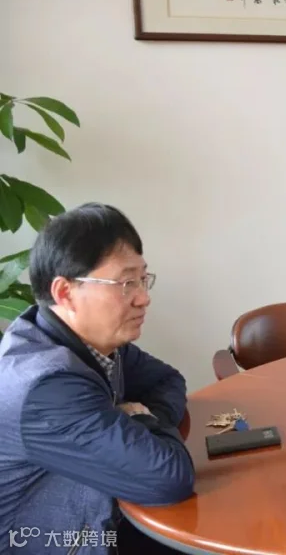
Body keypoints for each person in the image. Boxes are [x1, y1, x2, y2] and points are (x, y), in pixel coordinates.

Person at [0, 203, 194, 554]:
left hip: (96, 510)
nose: (143, 298)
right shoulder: (46, 386)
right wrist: (139, 422)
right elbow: (169, 478)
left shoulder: (91, 341)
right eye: (126, 283)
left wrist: (137, 430)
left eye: (142, 279)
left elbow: (168, 381)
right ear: (65, 293)